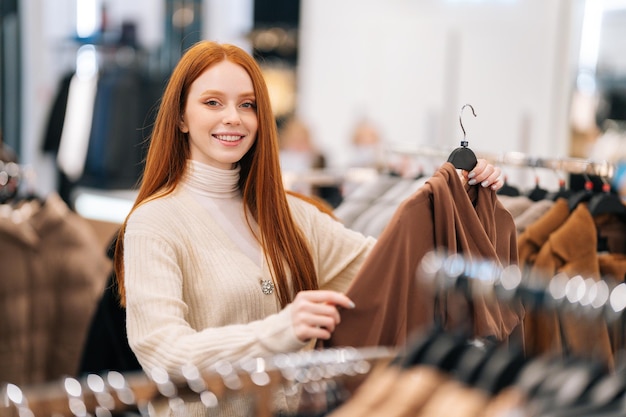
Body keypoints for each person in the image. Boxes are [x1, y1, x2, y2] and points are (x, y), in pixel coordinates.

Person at [113, 40, 503, 416]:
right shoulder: (155, 223)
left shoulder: (290, 216)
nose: (233, 117)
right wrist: (283, 329)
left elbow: (395, 265)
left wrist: (462, 200)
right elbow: (165, 354)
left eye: (247, 105)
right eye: (212, 102)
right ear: (181, 116)